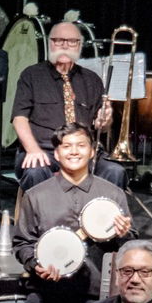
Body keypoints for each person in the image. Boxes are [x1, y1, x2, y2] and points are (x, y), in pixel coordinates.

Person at [11, 122, 132, 303]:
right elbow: (22, 243)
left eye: (81, 145)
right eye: (66, 146)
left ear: (92, 151)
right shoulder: (36, 194)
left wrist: (124, 233)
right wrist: (36, 264)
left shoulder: (113, 194)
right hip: (48, 300)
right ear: (56, 152)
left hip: (98, 301)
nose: (74, 151)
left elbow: (128, 249)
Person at [10, 21, 121, 189]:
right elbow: (19, 118)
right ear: (50, 43)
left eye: (71, 41)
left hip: (83, 152)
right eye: (58, 41)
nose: (64, 46)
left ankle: (99, 215)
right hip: (45, 150)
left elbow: (102, 127)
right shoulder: (31, 75)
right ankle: (43, 216)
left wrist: (104, 121)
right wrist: (32, 149)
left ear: (80, 45)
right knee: (35, 172)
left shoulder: (92, 79)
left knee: (115, 171)